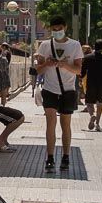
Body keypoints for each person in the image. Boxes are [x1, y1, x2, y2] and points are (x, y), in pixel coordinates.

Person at [34, 15, 85, 173]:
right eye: (54, 30)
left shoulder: (75, 45)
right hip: (49, 89)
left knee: (66, 125)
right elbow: (37, 70)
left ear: (65, 28)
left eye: (59, 29)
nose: (57, 32)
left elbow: (79, 70)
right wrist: (47, 64)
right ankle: (50, 158)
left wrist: (64, 64)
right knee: (50, 123)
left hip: (68, 90)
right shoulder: (45, 45)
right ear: (50, 29)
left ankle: (66, 156)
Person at [81, 40, 102, 131]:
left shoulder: (88, 58)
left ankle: (92, 115)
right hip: (101, 84)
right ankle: (97, 124)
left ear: (94, 46)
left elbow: (83, 72)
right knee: (99, 103)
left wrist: (80, 81)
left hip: (90, 83)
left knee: (88, 103)